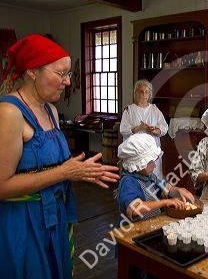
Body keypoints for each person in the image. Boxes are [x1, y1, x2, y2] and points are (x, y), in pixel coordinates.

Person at [0, 34, 120, 278]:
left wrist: (80, 170)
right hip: (23, 223)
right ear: (32, 71)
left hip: (55, 215)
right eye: (61, 73)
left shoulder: (51, 111)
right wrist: (65, 172)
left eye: (68, 74)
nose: (67, 82)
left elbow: (52, 166)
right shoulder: (9, 113)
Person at [117, 133, 194, 221]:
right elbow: (135, 209)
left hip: (151, 223)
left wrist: (178, 191)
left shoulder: (149, 177)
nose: (154, 165)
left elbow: (166, 188)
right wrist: (165, 202)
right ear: (138, 164)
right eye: (150, 162)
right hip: (136, 230)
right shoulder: (128, 182)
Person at [119, 79, 168, 179]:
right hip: (136, 152)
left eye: (146, 92)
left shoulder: (154, 109)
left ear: (149, 94)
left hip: (151, 150)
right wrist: (139, 128)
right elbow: (123, 130)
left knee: (154, 177)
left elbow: (164, 128)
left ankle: (153, 194)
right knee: (136, 177)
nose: (144, 94)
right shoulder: (130, 110)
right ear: (136, 93)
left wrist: (155, 130)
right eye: (141, 91)